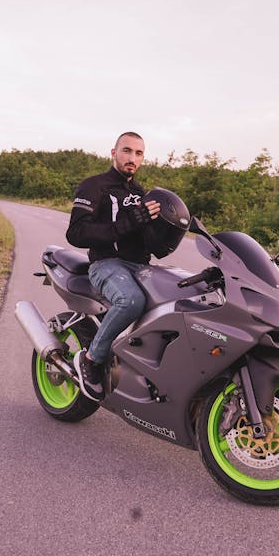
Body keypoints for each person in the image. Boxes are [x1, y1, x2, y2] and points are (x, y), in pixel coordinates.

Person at [66, 131, 160, 402]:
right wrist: (129, 222)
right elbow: (76, 233)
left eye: (138, 153)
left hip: (139, 265)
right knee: (131, 300)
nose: (132, 158)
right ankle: (91, 358)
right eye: (127, 151)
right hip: (106, 264)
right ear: (114, 153)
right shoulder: (93, 186)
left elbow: (146, 235)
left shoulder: (140, 193)